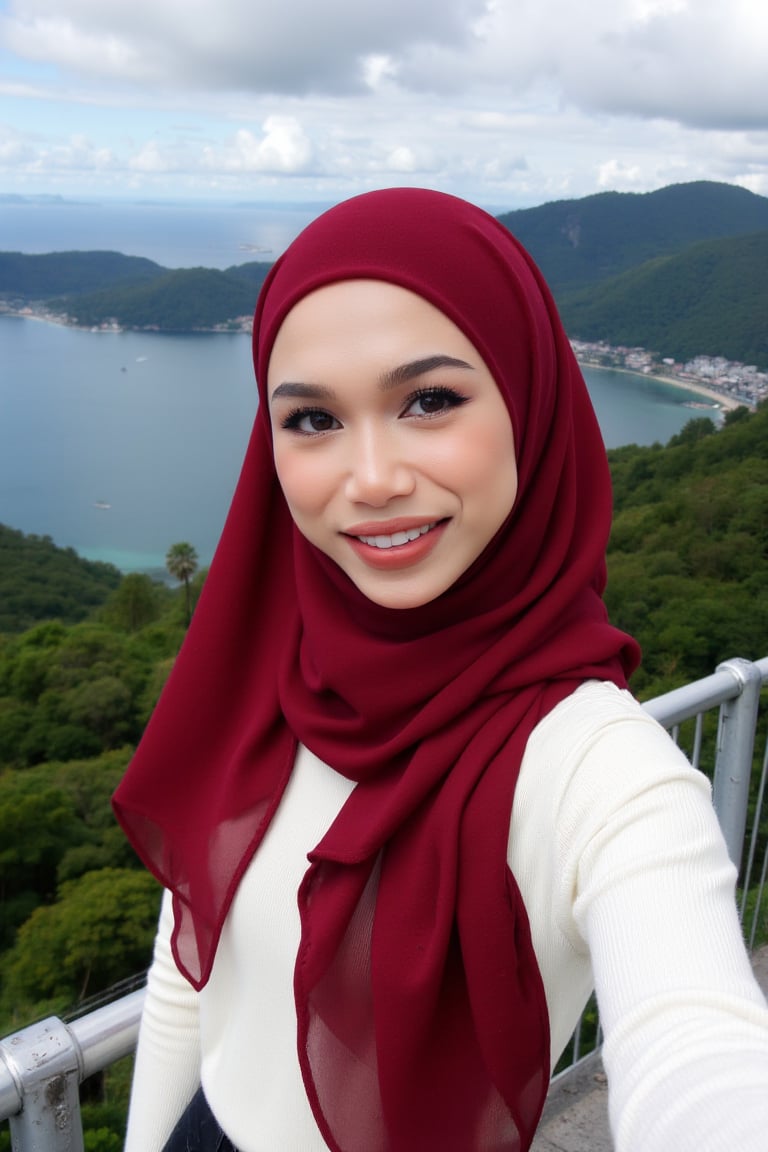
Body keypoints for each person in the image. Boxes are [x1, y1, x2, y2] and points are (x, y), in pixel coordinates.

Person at [113, 188, 768, 1152]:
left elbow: (699, 1053)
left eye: (430, 400)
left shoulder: (601, 766)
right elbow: (193, 976)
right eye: (311, 420)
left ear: (529, 402)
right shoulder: (279, 680)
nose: (371, 478)